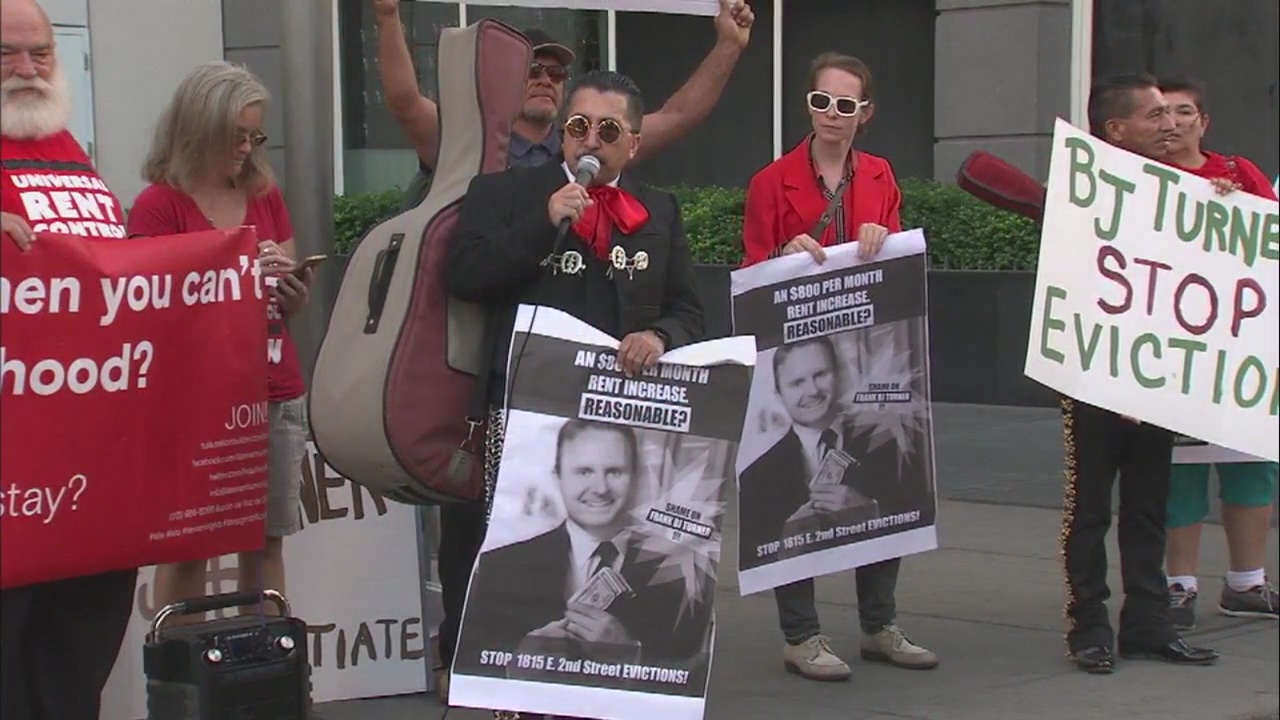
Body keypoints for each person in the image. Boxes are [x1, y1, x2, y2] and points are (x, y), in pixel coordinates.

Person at [445, 68, 704, 720]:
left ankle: (595, 681)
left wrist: (660, 334)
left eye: (608, 130)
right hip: (522, 409)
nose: (590, 139)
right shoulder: (505, 191)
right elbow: (466, 274)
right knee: (508, 541)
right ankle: (498, 684)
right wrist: (544, 221)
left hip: (613, 417)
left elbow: (691, 310)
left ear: (634, 145)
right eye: (578, 126)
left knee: (606, 543)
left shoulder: (659, 211)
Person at [738, 52, 937, 683]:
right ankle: (802, 635)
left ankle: (879, 624)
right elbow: (752, 274)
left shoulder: (880, 175)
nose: (830, 115)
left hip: (864, 357)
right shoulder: (772, 181)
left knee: (883, 480)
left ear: (864, 114)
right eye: (820, 101)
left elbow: (897, 269)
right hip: (800, 353)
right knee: (792, 492)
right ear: (809, 105)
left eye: (844, 105)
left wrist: (884, 232)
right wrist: (782, 252)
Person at [125, 61, 314, 620]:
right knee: (190, 546)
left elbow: (292, 296)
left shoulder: (263, 193)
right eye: (235, 136)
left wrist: (291, 283)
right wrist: (223, 276)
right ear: (198, 128)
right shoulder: (160, 205)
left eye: (255, 136)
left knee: (265, 542)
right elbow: (146, 310)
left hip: (273, 386)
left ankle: (261, 678)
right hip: (195, 400)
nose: (245, 148)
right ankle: (189, 687)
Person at [0, 1, 136, 716]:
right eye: (6, 55)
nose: (26, 70)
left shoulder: (70, 150)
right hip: (9, 476)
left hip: (87, 474)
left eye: (40, 54)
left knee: (75, 664)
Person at [1058, 72, 1218, 675]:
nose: (1169, 124)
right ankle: (1089, 625)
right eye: (1154, 116)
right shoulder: (1086, 190)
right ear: (1116, 129)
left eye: (1173, 115)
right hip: (1092, 374)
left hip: (1154, 376)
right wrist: (1112, 374)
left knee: (1149, 505)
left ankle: (1148, 624)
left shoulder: (1180, 191)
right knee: (1091, 508)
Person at [371, 0, 755, 210]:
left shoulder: (589, 142)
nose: (545, 80)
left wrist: (729, 45)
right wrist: (388, 16)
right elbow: (405, 104)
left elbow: (678, 117)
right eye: (533, 69)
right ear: (505, 77)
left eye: (556, 75)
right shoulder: (466, 141)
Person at [1155, 75, 1278, 630]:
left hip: (1241, 348)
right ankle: (1178, 586)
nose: (1173, 123)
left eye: (1184, 112)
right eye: (1160, 114)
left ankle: (1247, 583)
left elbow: (1270, 238)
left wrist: (1237, 205)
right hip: (1169, 352)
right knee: (1178, 471)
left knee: (1250, 465)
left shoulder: (1240, 173)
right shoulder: (1132, 179)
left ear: (1203, 122)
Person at [457, 420, 712, 671]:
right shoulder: (499, 567)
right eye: (584, 472)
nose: (600, 488)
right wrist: (518, 663)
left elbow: (688, 672)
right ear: (557, 477)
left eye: (614, 472)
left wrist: (632, 655)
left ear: (635, 477)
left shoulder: (685, 574)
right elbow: (471, 667)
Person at [738, 336, 926, 569]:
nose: (812, 390)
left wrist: (872, 512)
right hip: (795, 576)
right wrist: (785, 541)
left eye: (820, 375)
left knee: (879, 604)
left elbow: (919, 512)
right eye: (797, 383)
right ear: (779, 394)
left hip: (874, 567)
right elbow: (754, 553)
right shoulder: (755, 477)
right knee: (795, 604)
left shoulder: (890, 443)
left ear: (839, 375)